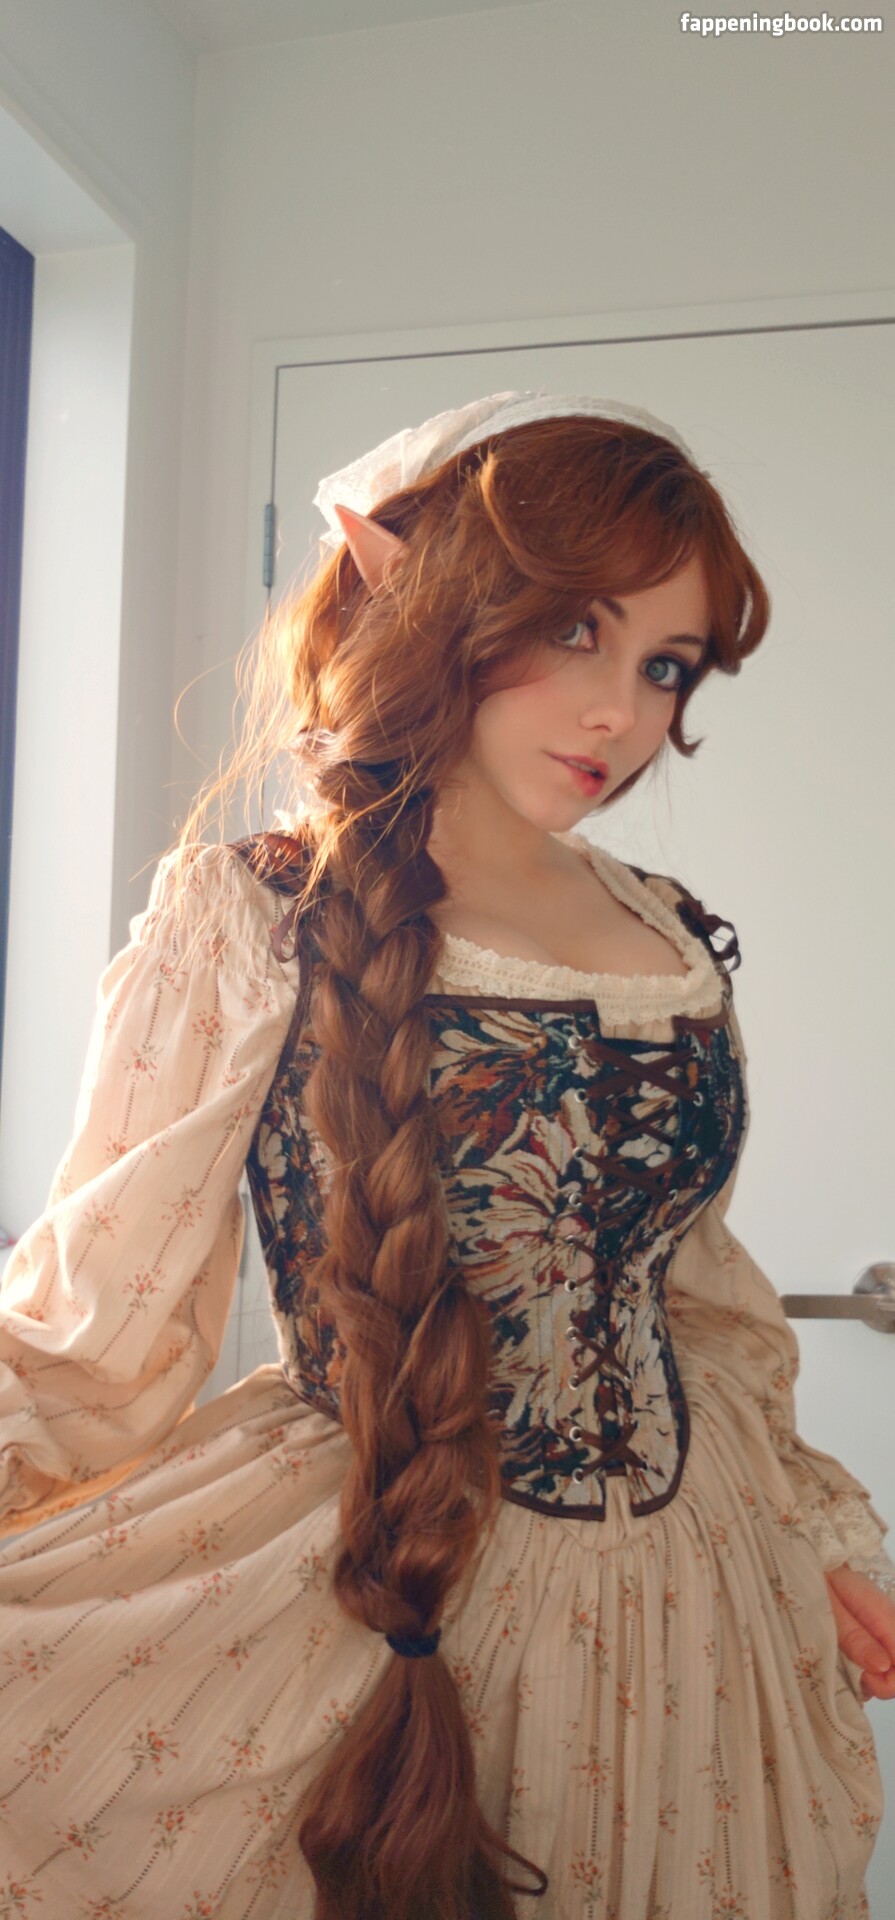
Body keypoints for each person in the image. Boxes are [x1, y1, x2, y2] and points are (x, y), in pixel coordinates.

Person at [0, 390, 892, 1920]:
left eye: (665, 665)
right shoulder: (253, 916)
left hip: (704, 1595)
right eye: (575, 630)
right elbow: (99, 1314)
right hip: (364, 1575)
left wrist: (814, 1533)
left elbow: (698, 1294)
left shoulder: (671, 936)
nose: (621, 712)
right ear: (422, 595)